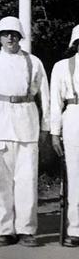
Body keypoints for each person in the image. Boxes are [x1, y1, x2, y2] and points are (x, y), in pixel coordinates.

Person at [0, 16, 49, 247]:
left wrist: (46, 127)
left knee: (26, 180)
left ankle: (26, 229)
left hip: (26, 126)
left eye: (14, 34)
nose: (10, 37)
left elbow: (44, 97)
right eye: (5, 34)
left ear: (20, 37)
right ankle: (5, 230)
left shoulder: (33, 62)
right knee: (0, 181)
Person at [50, 24, 79, 247]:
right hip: (73, 116)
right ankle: (75, 229)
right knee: (75, 176)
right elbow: (55, 103)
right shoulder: (62, 67)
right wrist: (54, 133)